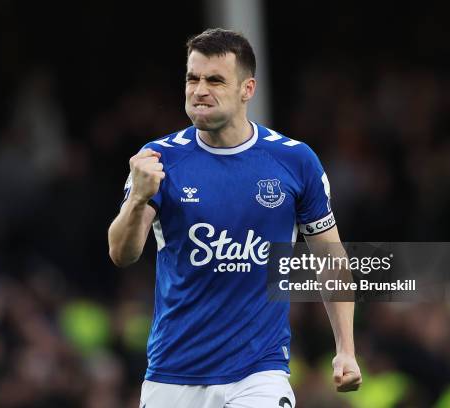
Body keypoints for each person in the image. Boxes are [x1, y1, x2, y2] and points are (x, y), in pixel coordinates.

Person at [108, 28, 361, 408]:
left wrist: (346, 349)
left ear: (247, 89)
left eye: (214, 80)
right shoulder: (159, 159)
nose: (199, 90)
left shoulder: (294, 161)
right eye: (192, 78)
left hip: (259, 373)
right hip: (174, 373)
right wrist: (138, 199)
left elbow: (330, 258)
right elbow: (121, 253)